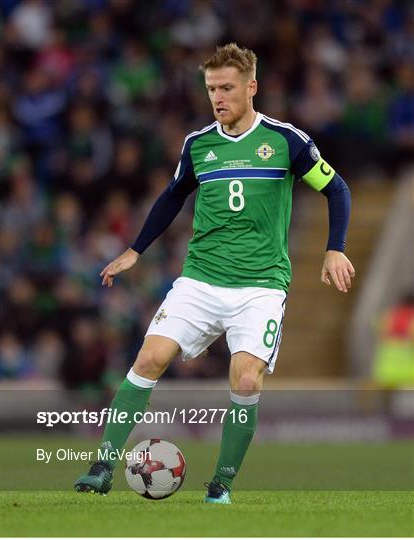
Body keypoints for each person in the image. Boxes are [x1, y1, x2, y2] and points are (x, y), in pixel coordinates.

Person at [75, 43, 355, 503]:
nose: (218, 98)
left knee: (245, 380)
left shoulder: (286, 141)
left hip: (261, 285)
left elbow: (337, 188)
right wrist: (135, 250)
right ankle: (102, 466)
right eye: (211, 89)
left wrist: (334, 249)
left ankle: (221, 484)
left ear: (252, 88)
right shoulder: (198, 144)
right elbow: (172, 196)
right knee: (148, 359)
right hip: (200, 279)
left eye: (226, 88)